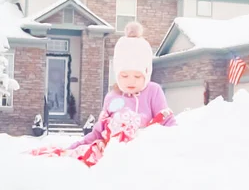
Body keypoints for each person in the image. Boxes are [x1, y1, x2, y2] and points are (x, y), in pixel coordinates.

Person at [68, 21, 176, 151]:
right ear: (117, 74)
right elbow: (99, 132)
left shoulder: (153, 91)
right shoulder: (112, 97)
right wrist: (76, 146)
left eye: (137, 76)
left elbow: (168, 122)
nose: (131, 81)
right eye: (125, 76)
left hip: (146, 154)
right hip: (117, 156)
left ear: (147, 74)